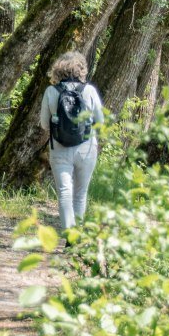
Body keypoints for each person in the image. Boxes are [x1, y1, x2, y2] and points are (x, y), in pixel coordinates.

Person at [38, 51, 104, 231]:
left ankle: (69, 234)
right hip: (87, 147)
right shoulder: (89, 90)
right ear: (81, 69)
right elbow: (101, 121)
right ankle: (77, 234)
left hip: (59, 148)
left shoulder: (51, 91)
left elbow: (44, 125)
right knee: (80, 194)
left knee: (65, 193)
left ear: (58, 69)